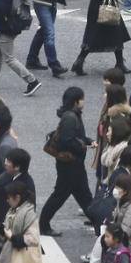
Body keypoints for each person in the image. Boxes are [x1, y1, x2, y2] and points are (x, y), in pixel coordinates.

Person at [39, 87, 93, 235]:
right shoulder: (70, 117)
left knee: (83, 195)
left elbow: (77, 136)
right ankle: (43, 225)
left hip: (73, 164)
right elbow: (67, 140)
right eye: (82, 99)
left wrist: (88, 141)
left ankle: (97, 221)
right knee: (60, 195)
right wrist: (82, 146)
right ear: (76, 101)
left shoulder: (72, 115)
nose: (84, 101)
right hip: (70, 165)